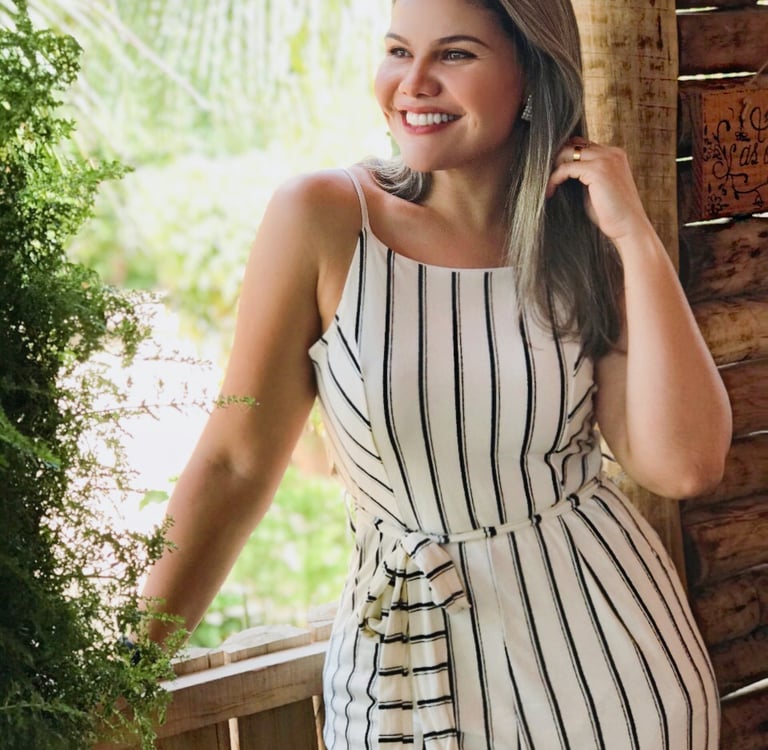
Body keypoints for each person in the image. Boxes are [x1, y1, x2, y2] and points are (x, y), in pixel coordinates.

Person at [141, 0, 732, 747]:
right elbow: (234, 463)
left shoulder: (582, 240)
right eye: (397, 51)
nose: (412, 83)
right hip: (402, 665)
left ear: (531, 76)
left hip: (615, 666)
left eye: (454, 55)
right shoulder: (322, 217)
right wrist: (121, 681)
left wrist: (636, 239)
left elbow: (683, 464)